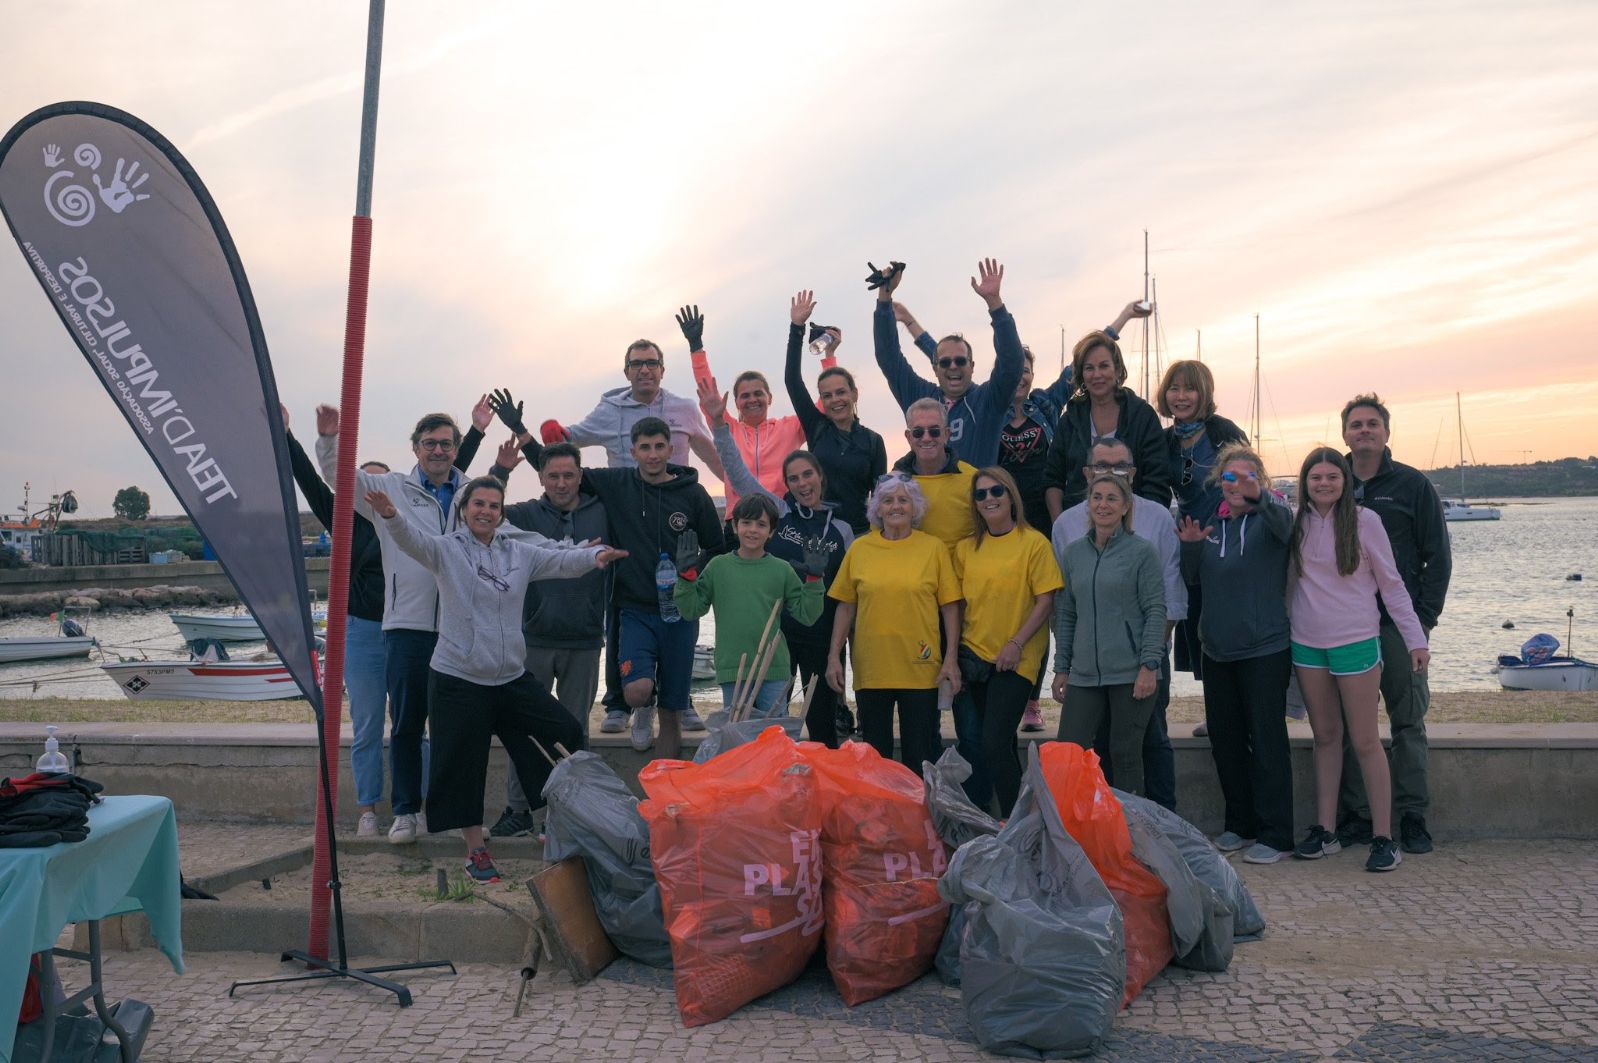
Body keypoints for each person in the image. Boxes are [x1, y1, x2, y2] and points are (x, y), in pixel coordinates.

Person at [364, 478, 620, 884]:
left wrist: (595, 557)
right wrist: (392, 516)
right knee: (465, 765)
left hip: (510, 676)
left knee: (564, 729)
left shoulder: (517, 552)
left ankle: (551, 821)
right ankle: (475, 852)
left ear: (502, 513)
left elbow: (560, 562)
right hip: (458, 678)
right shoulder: (446, 549)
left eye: (494, 506)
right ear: (465, 509)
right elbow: (413, 542)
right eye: (478, 503)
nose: (485, 511)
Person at [316, 404, 496, 845]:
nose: (438, 450)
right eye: (430, 443)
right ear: (414, 448)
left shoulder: (471, 492)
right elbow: (340, 480)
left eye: (446, 444)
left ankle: (455, 814)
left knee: (459, 728)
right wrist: (330, 443)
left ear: (457, 450)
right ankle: (405, 812)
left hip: (458, 628)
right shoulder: (390, 490)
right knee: (408, 724)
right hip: (407, 627)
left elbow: (506, 536)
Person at [538, 338, 725, 738]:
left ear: (662, 369)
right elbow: (573, 437)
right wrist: (547, 434)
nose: (645, 370)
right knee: (622, 604)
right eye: (637, 364)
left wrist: (737, 485)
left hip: (674, 509)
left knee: (679, 606)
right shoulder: (611, 408)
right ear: (626, 371)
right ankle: (622, 703)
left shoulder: (683, 408)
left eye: (652, 363)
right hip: (622, 506)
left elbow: (711, 452)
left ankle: (680, 699)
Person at [1287, 447, 1429, 873]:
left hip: (1357, 643)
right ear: (1305, 482)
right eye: (1316, 477)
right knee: (1326, 737)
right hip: (1307, 644)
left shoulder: (1368, 522)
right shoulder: (1296, 522)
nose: (1324, 483)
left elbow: (1393, 584)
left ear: (1345, 481)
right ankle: (1325, 831)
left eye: (1333, 476)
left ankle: (1384, 837)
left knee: (1366, 741)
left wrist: (1414, 639)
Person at [702, 382, 856, 745]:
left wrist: (839, 651)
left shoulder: (845, 529)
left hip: (822, 634)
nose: (802, 484)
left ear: (820, 476)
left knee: (821, 725)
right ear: (785, 485)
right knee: (770, 729)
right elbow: (738, 474)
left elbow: (850, 593)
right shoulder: (780, 512)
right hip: (778, 637)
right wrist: (718, 425)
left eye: (808, 475)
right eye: (793, 478)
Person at [1337, 394, 1451, 855]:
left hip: (1399, 628)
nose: (1364, 431)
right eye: (1355, 425)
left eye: (1372, 424)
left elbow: (1437, 559)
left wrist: (1421, 623)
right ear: (1344, 433)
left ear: (1386, 432)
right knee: (1349, 728)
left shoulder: (1412, 486)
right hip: (1347, 630)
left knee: (1408, 723)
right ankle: (1357, 816)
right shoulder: (1331, 480)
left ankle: (1412, 816)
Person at [483, 441, 612, 839]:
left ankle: (571, 814)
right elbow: (484, 507)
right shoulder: (524, 514)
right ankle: (519, 811)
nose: (561, 483)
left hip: (585, 640)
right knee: (523, 728)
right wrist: (500, 469)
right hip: (532, 639)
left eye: (568, 475)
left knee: (575, 732)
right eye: (552, 475)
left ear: (580, 475)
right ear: (540, 478)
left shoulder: (602, 512)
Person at [576, 418, 725, 759]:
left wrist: (692, 570)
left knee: (672, 715)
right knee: (637, 693)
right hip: (635, 610)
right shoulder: (618, 483)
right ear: (633, 452)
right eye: (645, 447)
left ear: (671, 450)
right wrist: (528, 438)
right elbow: (565, 471)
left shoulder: (693, 494)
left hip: (680, 612)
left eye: (659, 446)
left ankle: (664, 792)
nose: (653, 454)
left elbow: (716, 547)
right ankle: (644, 707)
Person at [1177, 445, 1295, 864]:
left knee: (1266, 742)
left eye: (1246, 479)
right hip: (1218, 651)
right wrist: (1190, 547)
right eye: (1229, 478)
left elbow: (1288, 528)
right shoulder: (1213, 526)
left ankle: (1277, 834)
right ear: (1218, 483)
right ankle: (1239, 825)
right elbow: (1193, 579)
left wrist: (1261, 497)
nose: (1236, 486)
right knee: (1226, 743)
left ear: (1259, 483)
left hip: (1265, 649)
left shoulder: (1271, 519)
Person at [1054, 440, 1187, 811]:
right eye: (1097, 497)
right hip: (1084, 675)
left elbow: (1156, 609)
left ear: (1126, 505)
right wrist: (1061, 667)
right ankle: (1072, 826)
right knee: (1069, 752)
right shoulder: (1073, 552)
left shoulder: (1141, 550)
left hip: (1131, 672)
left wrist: (1150, 665)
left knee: (1126, 756)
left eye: (1112, 498)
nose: (1103, 505)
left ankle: (1132, 837)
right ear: (1088, 501)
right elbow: (1067, 613)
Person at [827, 475, 961, 772]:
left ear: (916, 508)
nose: (896, 506)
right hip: (872, 668)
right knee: (876, 758)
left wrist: (951, 658)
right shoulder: (860, 549)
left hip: (921, 668)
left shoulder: (933, 548)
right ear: (877, 509)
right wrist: (833, 657)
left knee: (920, 755)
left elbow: (950, 607)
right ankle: (881, 819)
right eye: (887, 500)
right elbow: (846, 605)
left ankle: (920, 817)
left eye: (903, 500)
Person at [952, 467, 1062, 816]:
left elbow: (1045, 601)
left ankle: (1019, 821)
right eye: (981, 494)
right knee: (991, 743)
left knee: (994, 740)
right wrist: (951, 657)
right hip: (974, 657)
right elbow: (957, 605)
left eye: (996, 491)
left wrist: (1016, 643)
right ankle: (1000, 818)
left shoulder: (1034, 543)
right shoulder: (966, 549)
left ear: (1011, 495)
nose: (989, 499)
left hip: (1017, 658)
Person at [1158, 358, 1250, 740]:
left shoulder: (1222, 431)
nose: (1181, 396)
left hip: (1228, 538)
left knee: (1229, 629)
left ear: (1204, 393)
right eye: (1174, 389)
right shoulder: (1166, 441)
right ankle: (1218, 711)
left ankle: (1242, 711)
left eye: (1189, 388)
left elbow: (1247, 478)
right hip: (1190, 543)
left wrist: (1230, 511)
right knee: (1201, 630)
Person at [672, 493, 826, 715]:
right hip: (733, 668)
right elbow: (691, 610)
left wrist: (814, 580)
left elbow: (807, 615)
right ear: (735, 526)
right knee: (737, 738)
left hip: (773, 669)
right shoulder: (718, 567)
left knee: (773, 737)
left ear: (771, 532)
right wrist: (686, 577)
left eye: (761, 524)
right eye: (746, 522)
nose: (753, 529)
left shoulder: (782, 570)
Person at [871, 258, 1025, 468]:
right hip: (926, 500)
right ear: (935, 368)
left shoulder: (989, 400)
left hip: (974, 499)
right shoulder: (920, 397)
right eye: (945, 363)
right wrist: (885, 298)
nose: (953, 366)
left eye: (960, 361)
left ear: (972, 366)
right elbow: (888, 358)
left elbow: (1012, 363)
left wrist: (995, 305)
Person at [677, 303, 830, 508]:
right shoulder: (727, 428)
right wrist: (696, 346)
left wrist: (828, 358)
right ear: (736, 403)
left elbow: (824, 407)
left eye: (758, 393)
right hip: (739, 519)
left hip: (782, 518)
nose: (752, 400)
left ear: (770, 398)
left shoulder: (789, 427)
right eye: (745, 396)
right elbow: (707, 389)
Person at [1042, 324, 1171, 521]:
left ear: (1117, 369)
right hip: (1079, 531)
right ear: (1081, 375)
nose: (1097, 374)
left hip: (1133, 530)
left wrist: (1137, 531)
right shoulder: (1070, 420)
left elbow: (1157, 481)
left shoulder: (1142, 416)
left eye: (1104, 366)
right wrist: (1061, 526)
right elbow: (1053, 479)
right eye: (1089, 368)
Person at [785, 290, 886, 534]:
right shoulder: (817, 427)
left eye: (841, 392)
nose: (835, 400)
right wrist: (796, 327)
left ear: (854, 394)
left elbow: (880, 496)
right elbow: (792, 381)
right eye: (827, 395)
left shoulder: (873, 441)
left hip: (858, 534)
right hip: (818, 529)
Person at [891, 398, 979, 550]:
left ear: (946, 434)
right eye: (918, 432)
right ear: (908, 437)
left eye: (934, 431)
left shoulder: (973, 479)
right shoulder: (891, 484)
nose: (926, 438)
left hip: (959, 571)